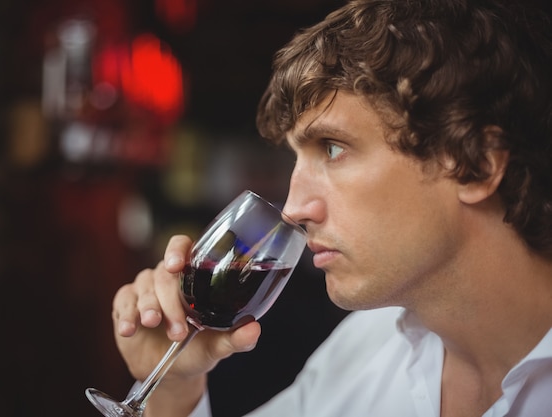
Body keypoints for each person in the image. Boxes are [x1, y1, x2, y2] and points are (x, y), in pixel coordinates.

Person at [109, 0, 552, 415]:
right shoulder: (364, 350)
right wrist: (174, 386)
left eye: (334, 149)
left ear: (476, 165)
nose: (294, 209)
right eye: (297, 159)